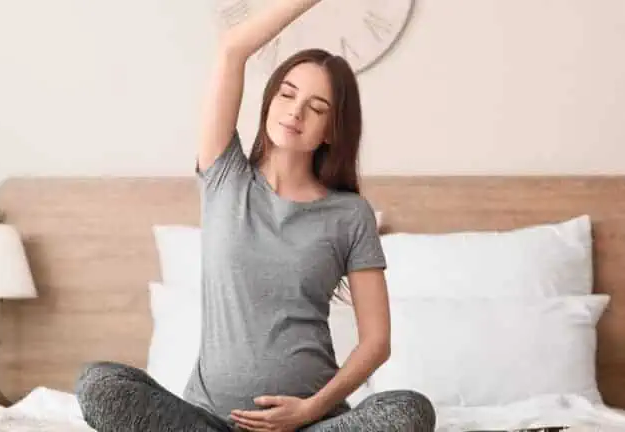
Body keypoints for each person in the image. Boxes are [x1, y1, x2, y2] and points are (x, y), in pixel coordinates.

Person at [74, 0, 436, 430]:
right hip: (209, 421)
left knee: (409, 410)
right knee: (99, 383)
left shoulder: (350, 215)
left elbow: (376, 343)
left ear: (333, 130)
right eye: (287, 93)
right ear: (269, 99)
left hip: (311, 423)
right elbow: (232, 49)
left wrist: (310, 410)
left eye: (317, 108)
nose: (296, 111)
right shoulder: (224, 174)